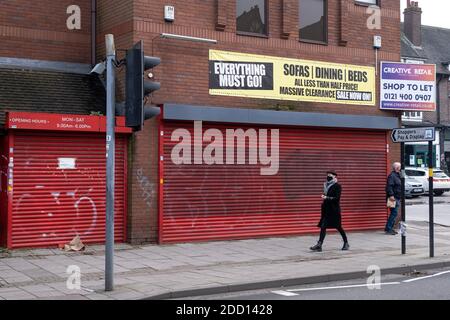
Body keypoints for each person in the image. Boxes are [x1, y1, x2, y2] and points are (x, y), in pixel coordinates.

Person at [310, 170, 349, 252]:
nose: (328, 176)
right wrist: (324, 196)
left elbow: (337, 198)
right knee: (323, 227)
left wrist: (326, 198)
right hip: (326, 210)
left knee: (338, 227)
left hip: (334, 210)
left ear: (335, 176)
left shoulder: (337, 186)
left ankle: (346, 243)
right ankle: (319, 245)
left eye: (330, 175)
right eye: (327, 175)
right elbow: (326, 195)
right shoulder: (326, 185)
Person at [385, 162, 401, 235]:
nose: (400, 168)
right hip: (393, 198)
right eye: (399, 167)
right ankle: (388, 228)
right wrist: (391, 195)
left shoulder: (397, 175)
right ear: (397, 168)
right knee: (394, 213)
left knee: (394, 213)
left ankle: (389, 228)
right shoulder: (392, 176)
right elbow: (389, 186)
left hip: (397, 197)